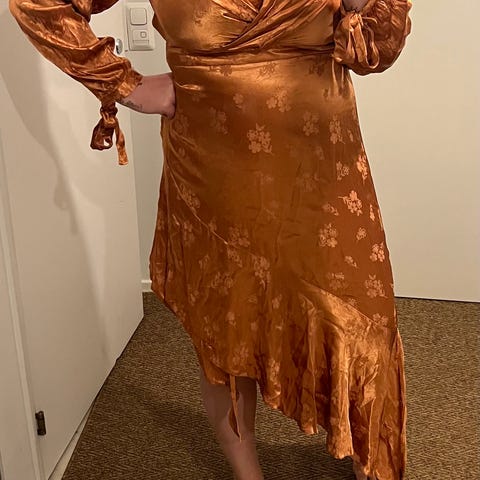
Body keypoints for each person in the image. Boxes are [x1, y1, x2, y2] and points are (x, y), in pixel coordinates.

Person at [9, 1, 412, 479]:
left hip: (323, 173)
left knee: (362, 321)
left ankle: (373, 464)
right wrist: (125, 85)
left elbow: (380, 51)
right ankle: (247, 474)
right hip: (215, 177)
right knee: (227, 331)